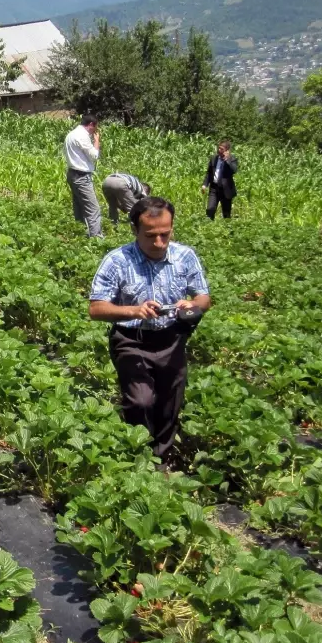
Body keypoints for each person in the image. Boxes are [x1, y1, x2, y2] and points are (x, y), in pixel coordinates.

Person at [89, 197, 212, 459]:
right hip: (131, 339)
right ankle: (139, 454)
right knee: (141, 400)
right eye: (151, 236)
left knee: (170, 401)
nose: (159, 243)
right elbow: (96, 309)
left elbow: (204, 298)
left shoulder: (185, 256)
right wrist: (134, 310)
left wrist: (190, 305)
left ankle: (161, 458)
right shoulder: (117, 261)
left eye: (165, 235)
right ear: (134, 230)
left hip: (172, 337)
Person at [65, 115, 103, 238]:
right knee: (93, 208)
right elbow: (94, 155)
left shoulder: (71, 134)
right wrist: (97, 141)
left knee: (79, 206)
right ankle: (96, 238)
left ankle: (80, 233)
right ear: (91, 124)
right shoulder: (82, 136)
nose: (94, 131)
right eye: (95, 128)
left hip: (72, 173)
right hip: (81, 176)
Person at [201, 141, 239, 220]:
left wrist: (227, 160)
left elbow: (234, 170)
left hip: (226, 189)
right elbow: (209, 173)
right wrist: (205, 185)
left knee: (226, 214)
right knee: (210, 210)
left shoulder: (232, 159)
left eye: (221, 149)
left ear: (227, 150)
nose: (219, 150)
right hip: (214, 188)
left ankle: (227, 230)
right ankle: (208, 228)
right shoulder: (214, 158)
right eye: (218, 148)